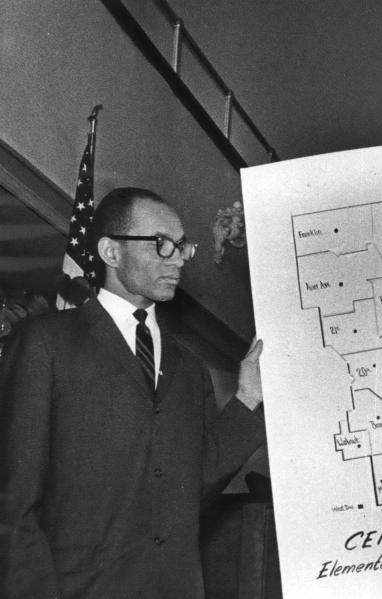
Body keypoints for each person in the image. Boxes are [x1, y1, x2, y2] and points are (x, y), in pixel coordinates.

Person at [0, 187, 267, 598]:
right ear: (111, 252)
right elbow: (14, 507)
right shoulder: (45, 344)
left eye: (182, 246)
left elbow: (189, 486)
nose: (178, 257)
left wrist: (248, 397)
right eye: (162, 244)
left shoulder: (190, 367)